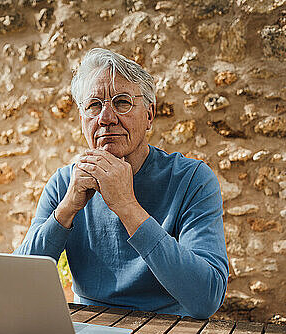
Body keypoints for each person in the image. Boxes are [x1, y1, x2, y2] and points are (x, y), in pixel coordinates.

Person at [14, 48, 228, 319]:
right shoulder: (63, 184)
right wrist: (67, 208)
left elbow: (206, 297)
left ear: (149, 115)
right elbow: (19, 282)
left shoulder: (192, 179)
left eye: (122, 102)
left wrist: (127, 206)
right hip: (89, 326)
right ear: (82, 121)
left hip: (169, 331)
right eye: (93, 105)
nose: (106, 118)